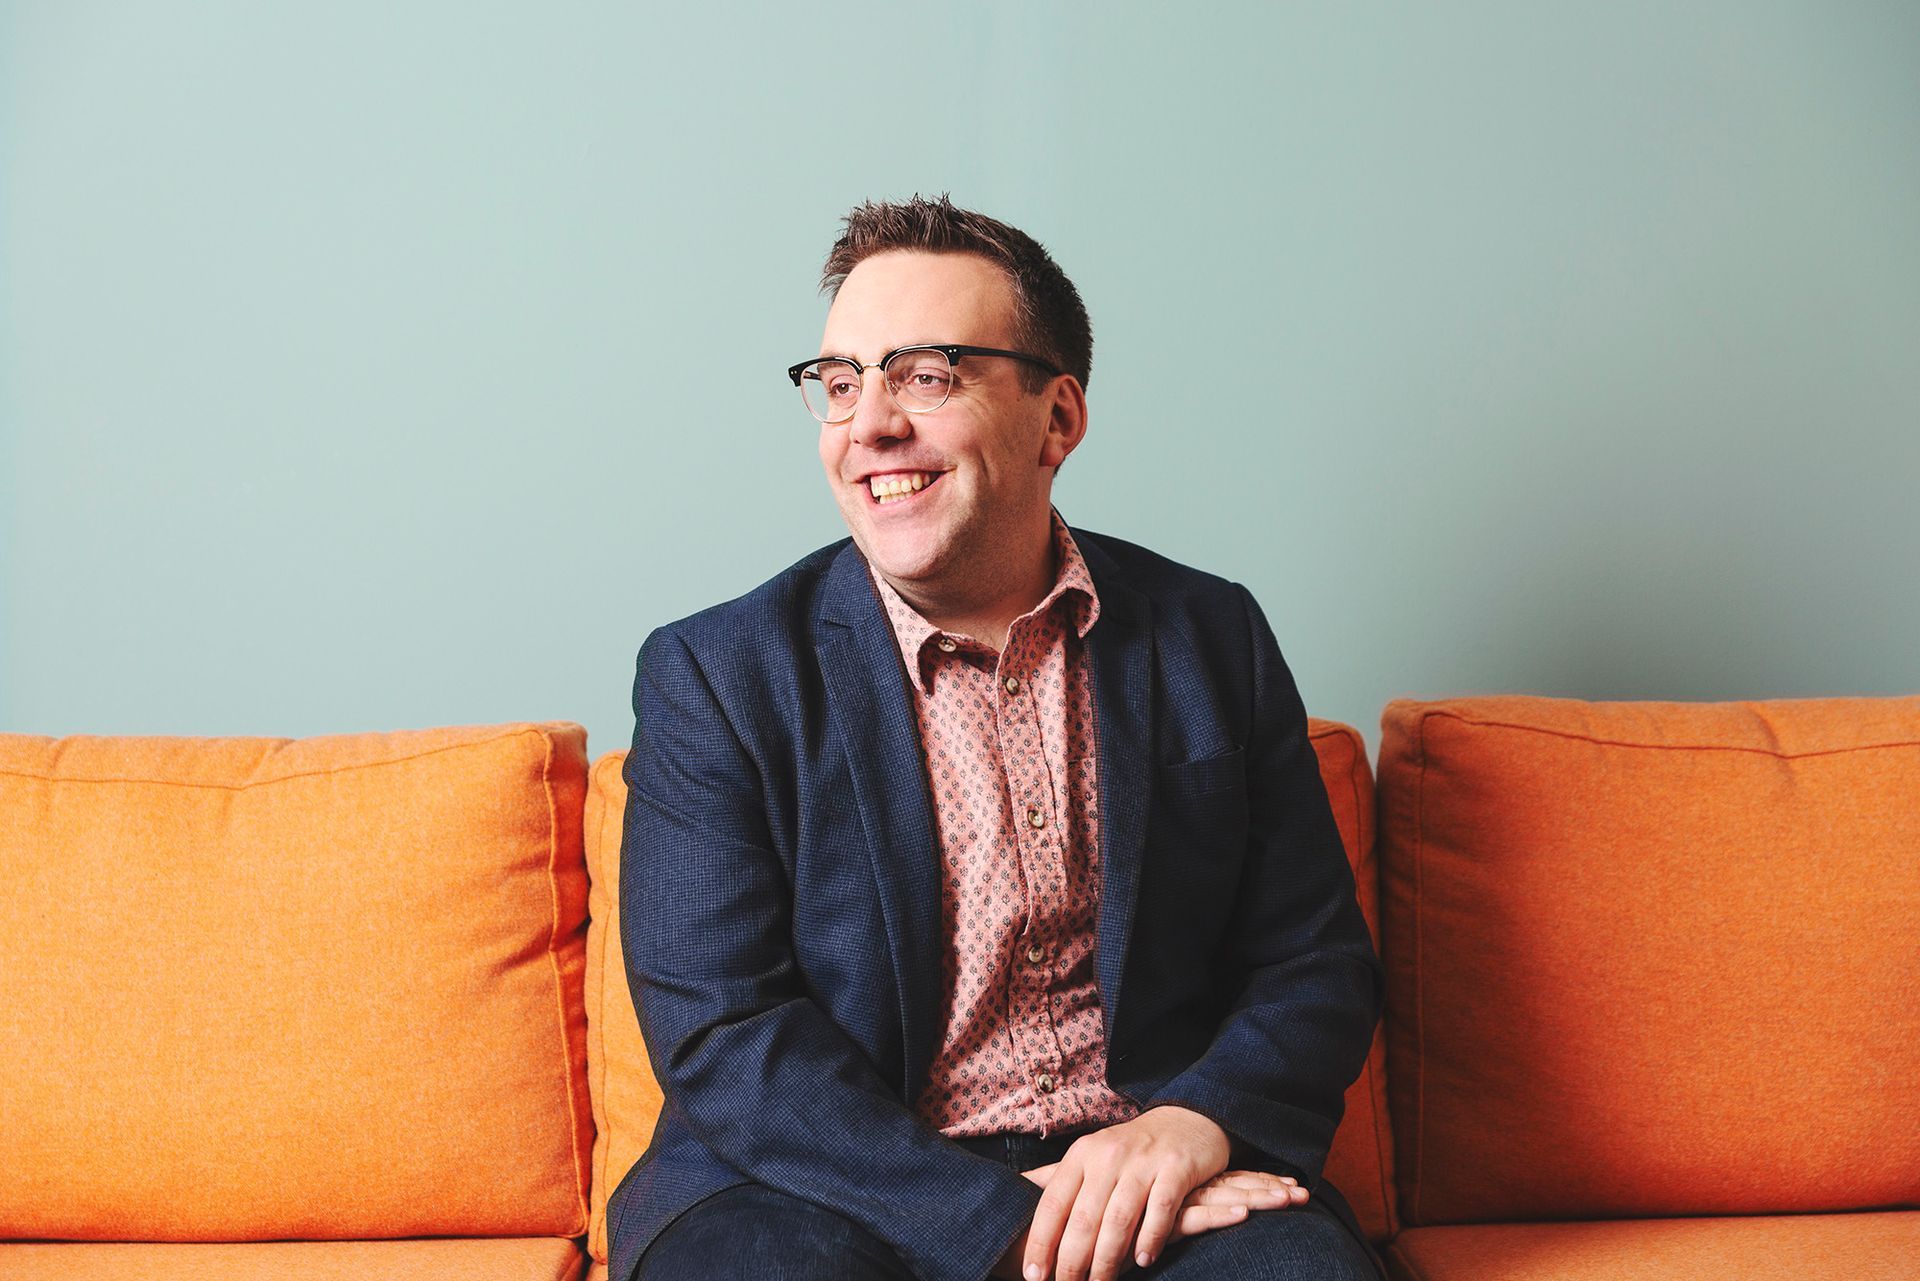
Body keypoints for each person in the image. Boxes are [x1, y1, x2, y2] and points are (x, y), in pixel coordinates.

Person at [608, 195, 1384, 1281]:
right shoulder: (717, 676)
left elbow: (1314, 961)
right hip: (821, 1189)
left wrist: (1194, 1125)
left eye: (924, 375)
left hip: (1139, 1178)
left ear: (1056, 418)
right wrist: (998, 1220)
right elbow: (724, 1031)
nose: (869, 424)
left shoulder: (1211, 637)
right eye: (841, 382)